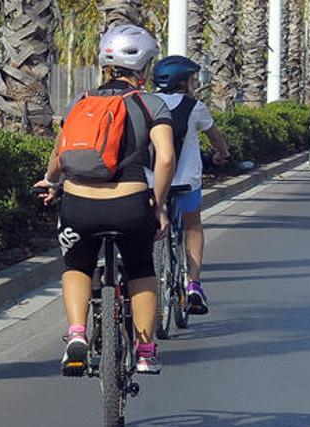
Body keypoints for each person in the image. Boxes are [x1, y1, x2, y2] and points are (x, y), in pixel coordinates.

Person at [34, 24, 175, 374]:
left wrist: (51, 182)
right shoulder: (150, 103)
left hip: (79, 205)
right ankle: (144, 351)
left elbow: (60, 155)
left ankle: (77, 334)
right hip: (129, 206)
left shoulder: (81, 103)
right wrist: (157, 205)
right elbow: (166, 158)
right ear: (144, 67)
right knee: (141, 266)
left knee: (78, 264)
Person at [151, 55, 231, 315]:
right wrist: (222, 153)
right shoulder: (195, 107)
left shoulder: (145, 103)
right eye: (192, 80)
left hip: (151, 182)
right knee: (193, 226)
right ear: (183, 82)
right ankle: (194, 284)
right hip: (186, 182)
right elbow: (215, 138)